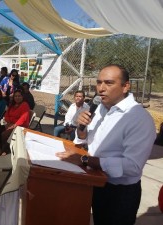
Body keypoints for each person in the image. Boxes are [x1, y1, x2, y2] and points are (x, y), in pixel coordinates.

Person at [55, 64, 156, 225]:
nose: (101, 88)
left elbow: (132, 166)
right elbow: (87, 141)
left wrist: (85, 160)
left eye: (109, 83)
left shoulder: (139, 119)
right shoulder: (99, 109)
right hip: (95, 181)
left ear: (125, 86)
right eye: (99, 82)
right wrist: (81, 131)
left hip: (119, 193)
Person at [0, 89, 30, 156]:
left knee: (4, 134)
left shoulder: (25, 105)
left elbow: (23, 118)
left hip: (20, 127)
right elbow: (6, 115)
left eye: (19, 96)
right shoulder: (12, 105)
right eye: (15, 96)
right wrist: (9, 123)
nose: (17, 98)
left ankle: (5, 151)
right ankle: (3, 149)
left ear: (22, 97)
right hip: (10, 124)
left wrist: (14, 125)